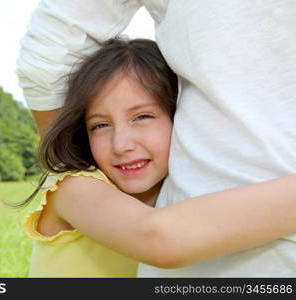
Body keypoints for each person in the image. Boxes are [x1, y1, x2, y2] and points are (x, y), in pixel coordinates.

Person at [17, 1, 296, 277]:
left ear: (180, 117)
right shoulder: (73, 188)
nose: (121, 144)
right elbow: (160, 240)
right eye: (100, 125)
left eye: (142, 117)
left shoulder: (173, 190)